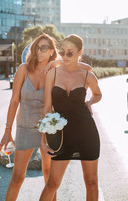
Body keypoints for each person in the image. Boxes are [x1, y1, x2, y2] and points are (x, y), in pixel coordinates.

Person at [0, 33, 91, 201]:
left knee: (48, 174)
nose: (39, 52)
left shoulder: (55, 71)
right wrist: (7, 131)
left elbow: (86, 68)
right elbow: (14, 101)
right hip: (24, 128)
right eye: (36, 48)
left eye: (44, 48)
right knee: (18, 176)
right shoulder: (23, 69)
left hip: (48, 129)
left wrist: (56, 62)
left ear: (51, 51)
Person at [39, 34, 102, 201]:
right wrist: (43, 139)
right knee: (52, 183)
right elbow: (46, 108)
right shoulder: (52, 73)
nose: (65, 56)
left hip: (86, 133)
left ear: (80, 52)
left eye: (70, 53)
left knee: (91, 182)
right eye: (63, 52)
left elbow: (98, 94)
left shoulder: (87, 75)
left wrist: (89, 102)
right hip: (61, 136)